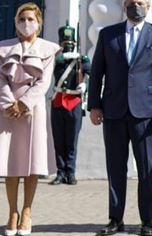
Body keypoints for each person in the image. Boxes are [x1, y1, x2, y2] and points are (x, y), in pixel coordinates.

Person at [87, 0, 152, 236]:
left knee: (147, 168)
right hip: (114, 110)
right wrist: (94, 105)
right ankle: (115, 218)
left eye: (140, 3)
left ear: (147, 7)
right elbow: (96, 72)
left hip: (146, 113)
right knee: (115, 167)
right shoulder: (108, 35)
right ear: (124, 5)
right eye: (131, 3)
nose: (135, 6)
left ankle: (147, 220)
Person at [0, 2, 60, 236]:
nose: (26, 23)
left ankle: (27, 211)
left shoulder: (48, 49)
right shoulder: (3, 49)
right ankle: (12, 213)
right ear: (16, 22)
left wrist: (24, 103)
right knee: (10, 163)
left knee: (32, 163)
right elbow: (0, 79)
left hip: (33, 110)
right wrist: (9, 104)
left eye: (30, 19)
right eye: (21, 19)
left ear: (38, 22)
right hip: (8, 111)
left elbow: (44, 82)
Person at [49, 23, 90, 186]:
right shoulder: (55, 59)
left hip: (74, 103)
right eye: (65, 43)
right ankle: (60, 172)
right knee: (59, 140)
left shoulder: (81, 59)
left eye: (69, 43)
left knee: (71, 141)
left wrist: (86, 86)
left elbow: (94, 74)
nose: (67, 46)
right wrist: (59, 57)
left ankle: (70, 172)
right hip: (58, 102)